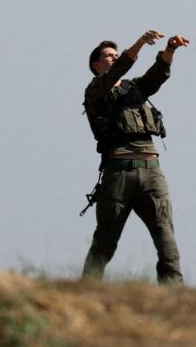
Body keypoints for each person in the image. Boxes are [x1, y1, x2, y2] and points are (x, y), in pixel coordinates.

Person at [81, 29, 189, 284]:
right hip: (118, 173)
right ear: (96, 65)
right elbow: (118, 71)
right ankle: (86, 290)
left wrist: (170, 50)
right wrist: (140, 42)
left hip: (151, 171)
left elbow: (158, 76)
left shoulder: (135, 88)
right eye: (108, 55)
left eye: (116, 54)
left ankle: (174, 293)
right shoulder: (96, 90)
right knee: (105, 242)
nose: (114, 57)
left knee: (166, 238)